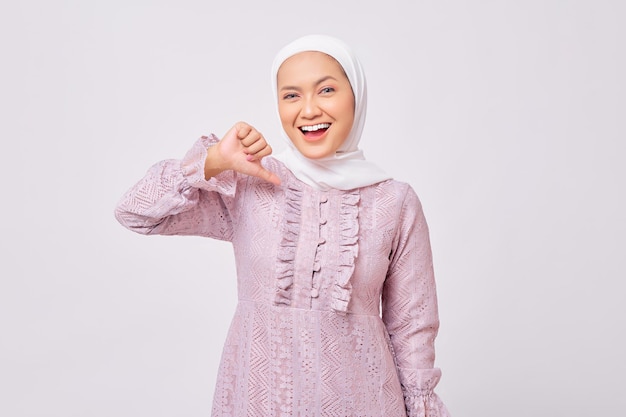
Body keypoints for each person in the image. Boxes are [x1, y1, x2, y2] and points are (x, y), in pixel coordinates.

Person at [115, 34, 450, 417]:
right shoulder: (251, 180)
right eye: (291, 95)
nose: (308, 110)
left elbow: (413, 329)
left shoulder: (394, 202)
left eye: (326, 89)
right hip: (258, 400)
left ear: (356, 95)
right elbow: (135, 213)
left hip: (363, 402)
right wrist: (213, 161)